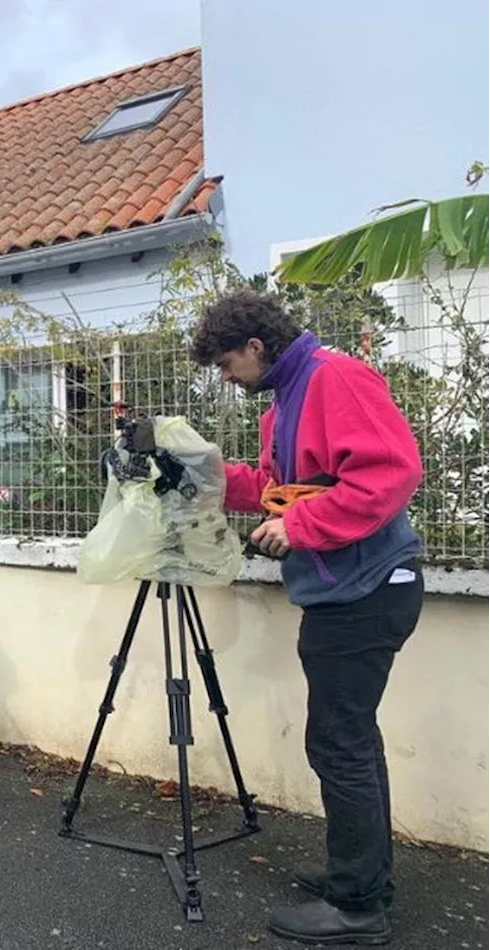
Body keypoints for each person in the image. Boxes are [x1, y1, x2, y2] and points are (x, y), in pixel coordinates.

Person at [188, 289, 424, 946]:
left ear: (256, 347)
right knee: (351, 745)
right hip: (345, 593)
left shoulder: (336, 378)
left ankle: (357, 909)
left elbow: (392, 475)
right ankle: (362, 877)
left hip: (369, 590)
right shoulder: (284, 405)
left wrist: (300, 525)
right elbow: (273, 491)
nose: (226, 378)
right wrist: (201, 472)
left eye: (228, 364)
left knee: (338, 746)